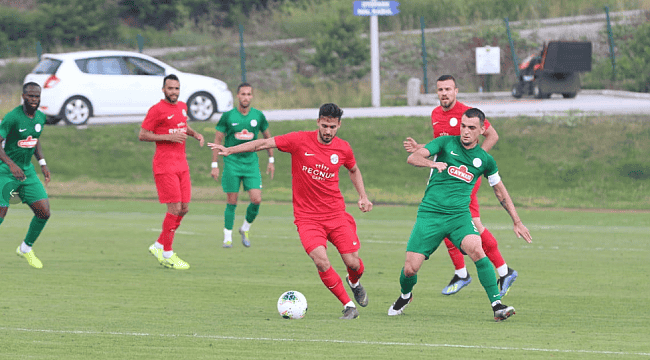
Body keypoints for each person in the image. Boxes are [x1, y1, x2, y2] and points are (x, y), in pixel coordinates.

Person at [209, 103, 373, 320]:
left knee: (353, 263)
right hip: (307, 218)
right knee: (321, 260)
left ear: (338, 125)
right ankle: (348, 306)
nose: (327, 131)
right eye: (324, 125)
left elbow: (353, 169)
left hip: (336, 215)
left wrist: (363, 195)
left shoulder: (343, 148)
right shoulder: (299, 140)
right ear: (318, 122)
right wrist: (231, 149)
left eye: (332, 127)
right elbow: (264, 143)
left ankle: (354, 282)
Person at [389, 108, 532, 321]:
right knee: (410, 269)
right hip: (430, 215)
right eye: (463, 126)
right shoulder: (445, 143)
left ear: (482, 130)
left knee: (477, 249)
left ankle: (497, 305)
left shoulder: (485, 160)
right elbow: (414, 157)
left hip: (459, 217)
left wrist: (517, 221)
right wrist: (432, 163)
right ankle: (405, 296)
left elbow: (500, 190)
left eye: (471, 128)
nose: (465, 131)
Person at [404, 74, 518, 297]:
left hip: (463, 177)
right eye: (440, 90)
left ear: (456, 91)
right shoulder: (436, 114)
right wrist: (421, 146)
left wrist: (475, 163)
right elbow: (443, 144)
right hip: (442, 176)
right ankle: (469, 272)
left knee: (470, 223)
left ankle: (500, 271)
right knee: (450, 222)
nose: (444, 93)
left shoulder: (467, 114)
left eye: (448, 89)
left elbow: (492, 135)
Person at [139, 74, 205, 270]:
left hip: (181, 165)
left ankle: (159, 245)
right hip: (164, 166)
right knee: (174, 209)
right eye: (170, 88)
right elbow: (143, 135)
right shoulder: (157, 109)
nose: (173, 92)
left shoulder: (183, 106)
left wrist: (195, 134)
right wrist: (167, 137)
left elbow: (182, 125)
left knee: (184, 209)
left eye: (176, 88)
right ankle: (167, 253)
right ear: (163, 89)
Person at [211, 83, 274, 248]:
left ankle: (245, 228)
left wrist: (271, 160)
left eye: (249, 94)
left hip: (251, 164)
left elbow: (267, 139)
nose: (246, 97)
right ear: (237, 96)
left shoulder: (258, 116)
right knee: (232, 201)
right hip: (232, 163)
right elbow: (218, 140)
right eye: (243, 94)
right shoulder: (228, 116)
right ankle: (227, 236)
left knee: (257, 199)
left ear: (252, 97)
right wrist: (214, 164)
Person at [0, 82, 51, 269]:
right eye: (30, 96)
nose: (34, 100)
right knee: (1, 214)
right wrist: (10, 164)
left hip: (27, 171)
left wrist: (43, 164)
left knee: (44, 212)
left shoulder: (40, 117)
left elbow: (34, 140)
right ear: (23, 96)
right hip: (6, 171)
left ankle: (25, 248)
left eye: (37, 96)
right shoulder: (12, 117)